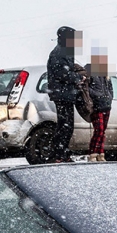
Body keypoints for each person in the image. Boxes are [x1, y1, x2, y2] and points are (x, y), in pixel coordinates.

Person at [47, 26, 84, 162]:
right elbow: (62, 73)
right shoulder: (59, 53)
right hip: (62, 94)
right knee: (65, 125)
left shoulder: (64, 51)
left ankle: (62, 153)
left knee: (66, 125)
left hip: (65, 94)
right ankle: (58, 154)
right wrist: (78, 78)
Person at [85, 51, 114, 162]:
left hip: (106, 105)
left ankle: (100, 153)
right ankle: (93, 153)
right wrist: (98, 96)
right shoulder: (90, 71)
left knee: (103, 131)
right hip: (97, 105)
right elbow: (86, 88)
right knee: (99, 130)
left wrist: (109, 97)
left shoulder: (105, 73)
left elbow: (110, 88)